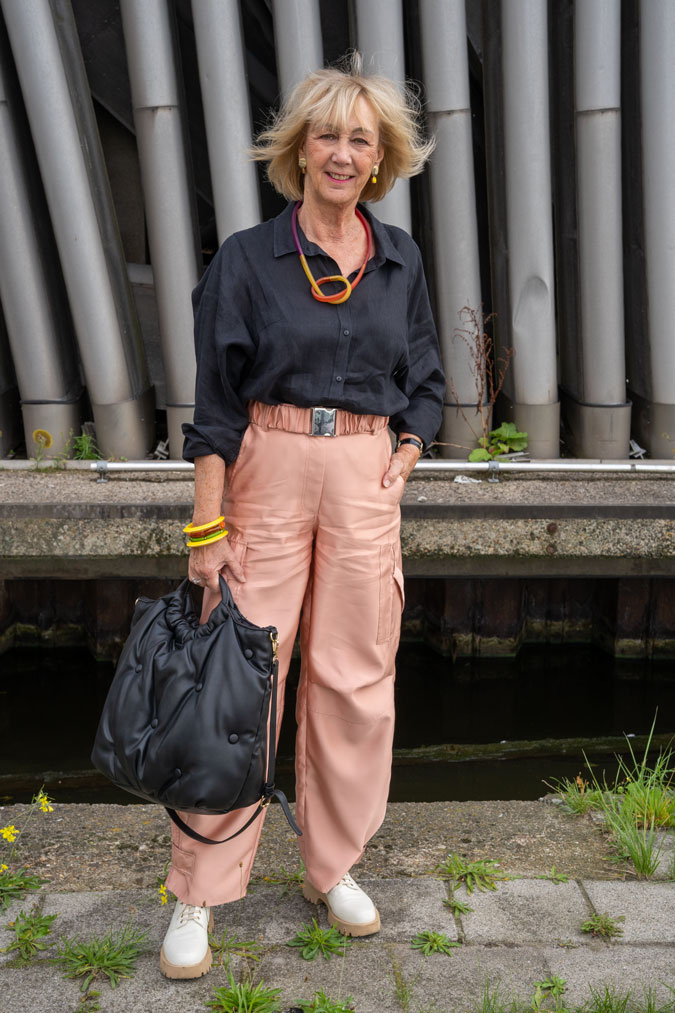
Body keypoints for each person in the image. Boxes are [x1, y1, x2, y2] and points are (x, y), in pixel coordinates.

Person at [159, 54, 445, 979]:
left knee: (355, 675)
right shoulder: (247, 258)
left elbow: (428, 385)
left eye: (360, 138)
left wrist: (402, 453)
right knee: (234, 679)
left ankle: (334, 864)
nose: (342, 152)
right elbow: (211, 411)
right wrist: (206, 533)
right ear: (299, 149)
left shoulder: (400, 261)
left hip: (363, 473)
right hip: (268, 464)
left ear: (380, 158)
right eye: (326, 133)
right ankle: (199, 891)